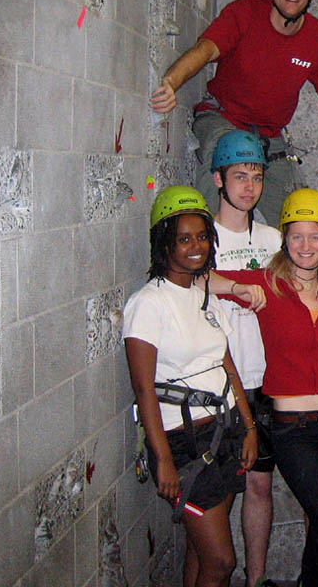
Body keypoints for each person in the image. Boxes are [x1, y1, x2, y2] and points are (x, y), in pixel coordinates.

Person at [211, 188, 318, 587]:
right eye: (296, 236)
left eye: (315, 236)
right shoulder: (267, 285)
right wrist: (237, 289)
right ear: (284, 239)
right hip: (292, 429)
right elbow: (200, 277)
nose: (306, 246)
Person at [150, 0, 318, 225]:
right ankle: (211, 251)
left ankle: (291, 267)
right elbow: (205, 50)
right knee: (232, 154)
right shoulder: (245, 13)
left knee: (299, 217)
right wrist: (170, 82)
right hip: (223, 119)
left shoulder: (316, 37)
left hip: (269, 137)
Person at [122, 185, 262, 587]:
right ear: (164, 243)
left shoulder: (204, 296)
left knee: (202, 557)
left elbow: (227, 366)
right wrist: (163, 458)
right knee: (221, 561)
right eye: (183, 238)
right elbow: (144, 388)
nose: (195, 246)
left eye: (202, 237)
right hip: (184, 444)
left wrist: (249, 428)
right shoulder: (148, 304)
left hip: (224, 430)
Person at [208, 131, 283, 587]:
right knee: (221, 493)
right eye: (239, 176)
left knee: (259, 484)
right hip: (219, 383)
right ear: (218, 179)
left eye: (256, 177)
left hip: (265, 380)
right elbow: (187, 279)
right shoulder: (202, 236)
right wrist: (234, 286)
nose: (249, 186)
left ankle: (254, 582)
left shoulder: (275, 238)